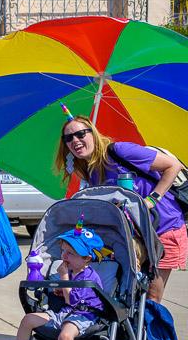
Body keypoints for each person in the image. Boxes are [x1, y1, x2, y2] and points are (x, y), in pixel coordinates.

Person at [59, 116, 186, 303]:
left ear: (92, 133)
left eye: (80, 134)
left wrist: (152, 199)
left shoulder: (120, 151)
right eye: (68, 138)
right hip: (134, 238)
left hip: (164, 229)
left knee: (151, 297)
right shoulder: (92, 172)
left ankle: (150, 332)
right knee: (129, 293)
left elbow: (173, 166)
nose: (75, 141)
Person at [0, 223, 111, 340]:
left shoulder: (90, 277)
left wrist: (64, 279)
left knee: (65, 336)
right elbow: (66, 299)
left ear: (87, 258)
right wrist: (58, 288)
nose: (64, 256)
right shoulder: (71, 271)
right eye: (63, 251)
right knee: (29, 319)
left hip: (85, 316)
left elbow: (72, 301)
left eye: (70, 253)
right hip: (64, 312)